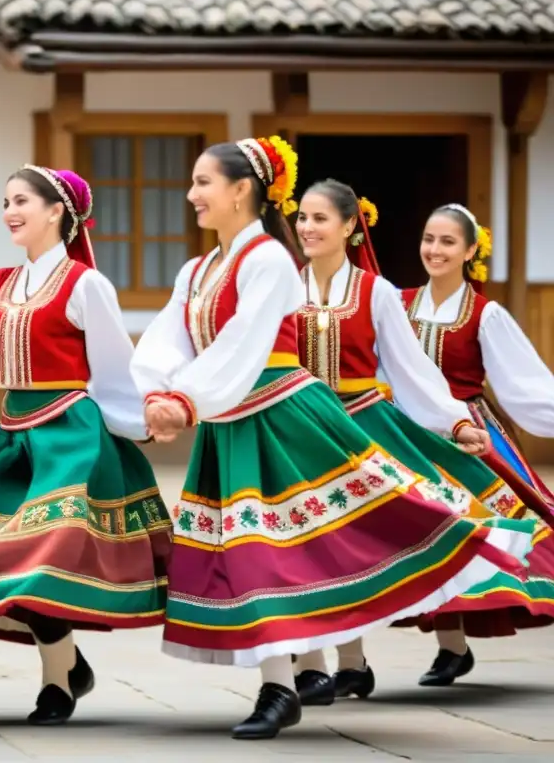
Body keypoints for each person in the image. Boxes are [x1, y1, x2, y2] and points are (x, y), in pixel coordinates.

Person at [130, 137, 528, 740]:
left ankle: (283, 685)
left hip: (282, 416)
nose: (191, 194)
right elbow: (167, 337)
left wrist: (183, 400)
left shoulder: (266, 260)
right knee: (256, 554)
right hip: (230, 421)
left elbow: (245, 344)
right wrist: (157, 391)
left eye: (202, 182)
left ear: (242, 190)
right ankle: (298, 677)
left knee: (275, 550)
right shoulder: (198, 269)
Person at [0, 165, 172, 725]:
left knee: (43, 554)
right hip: (13, 442)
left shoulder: (85, 284)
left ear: (57, 210)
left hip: (71, 439)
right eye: (5, 201)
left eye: (21, 201)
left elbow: (112, 366)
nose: (10, 211)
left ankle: (55, 685)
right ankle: (70, 665)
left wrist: (141, 419)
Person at [289, 181, 535, 704]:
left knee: (413, 528)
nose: (307, 228)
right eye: (301, 218)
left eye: (319, 218)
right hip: (307, 430)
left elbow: (411, 371)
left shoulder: (379, 293)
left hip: (379, 427)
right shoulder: (289, 287)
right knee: (315, 547)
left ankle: (444, 644)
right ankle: (341, 665)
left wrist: (457, 423)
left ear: (351, 226)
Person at [396, 203, 554, 686]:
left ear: (469, 251)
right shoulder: (396, 305)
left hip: (470, 435)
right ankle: (452, 648)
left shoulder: (485, 315)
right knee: (424, 538)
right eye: (429, 239)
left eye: (447, 241)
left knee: (489, 531)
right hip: (409, 436)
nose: (435, 250)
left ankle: (455, 647)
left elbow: (523, 383)